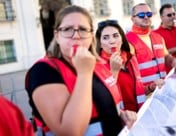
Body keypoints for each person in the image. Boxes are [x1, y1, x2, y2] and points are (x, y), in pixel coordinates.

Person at [25, 5, 136, 136]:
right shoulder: (43, 71)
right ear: (57, 35)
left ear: (91, 35)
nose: (76, 36)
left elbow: (103, 106)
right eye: (67, 29)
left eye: (83, 29)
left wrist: (121, 115)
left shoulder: (98, 64)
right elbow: (69, 132)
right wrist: (84, 73)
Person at [126, 3, 176, 95]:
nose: (145, 17)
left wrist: (173, 60)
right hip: (144, 96)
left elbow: (165, 56)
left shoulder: (158, 37)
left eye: (149, 14)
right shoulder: (127, 41)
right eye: (141, 15)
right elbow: (127, 76)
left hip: (163, 91)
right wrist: (149, 87)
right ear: (133, 19)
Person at [95, 19, 146, 112]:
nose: (112, 41)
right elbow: (102, 100)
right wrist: (114, 72)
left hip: (140, 116)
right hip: (121, 121)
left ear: (122, 39)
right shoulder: (97, 66)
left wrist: (150, 87)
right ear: (100, 44)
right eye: (105, 38)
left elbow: (134, 91)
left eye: (115, 36)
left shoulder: (131, 58)